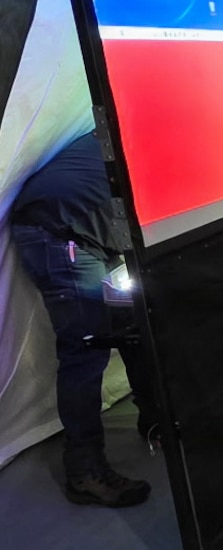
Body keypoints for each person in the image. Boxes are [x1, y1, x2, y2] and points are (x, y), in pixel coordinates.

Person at [9, 132, 155, 506]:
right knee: (87, 348)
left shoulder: (147, 124)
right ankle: (85, 472)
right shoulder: (157, 132)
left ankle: (154, 419)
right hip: (59, 234)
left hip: (89, 231)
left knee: (134, 323)